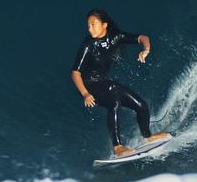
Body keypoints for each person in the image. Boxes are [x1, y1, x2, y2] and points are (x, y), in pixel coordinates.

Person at [71, 9, 169, 157]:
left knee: (140, 105)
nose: (89, 28)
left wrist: (145, 50)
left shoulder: (116, 37)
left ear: (104, 25)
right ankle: (118, 148)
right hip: (88, 85)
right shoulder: (88, 44)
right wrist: (85, 94)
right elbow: (75, 73)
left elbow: (142, 37)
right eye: (88, 25)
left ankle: (148, 136)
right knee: (114, 100)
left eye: (93, 24)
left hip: (103, 83)